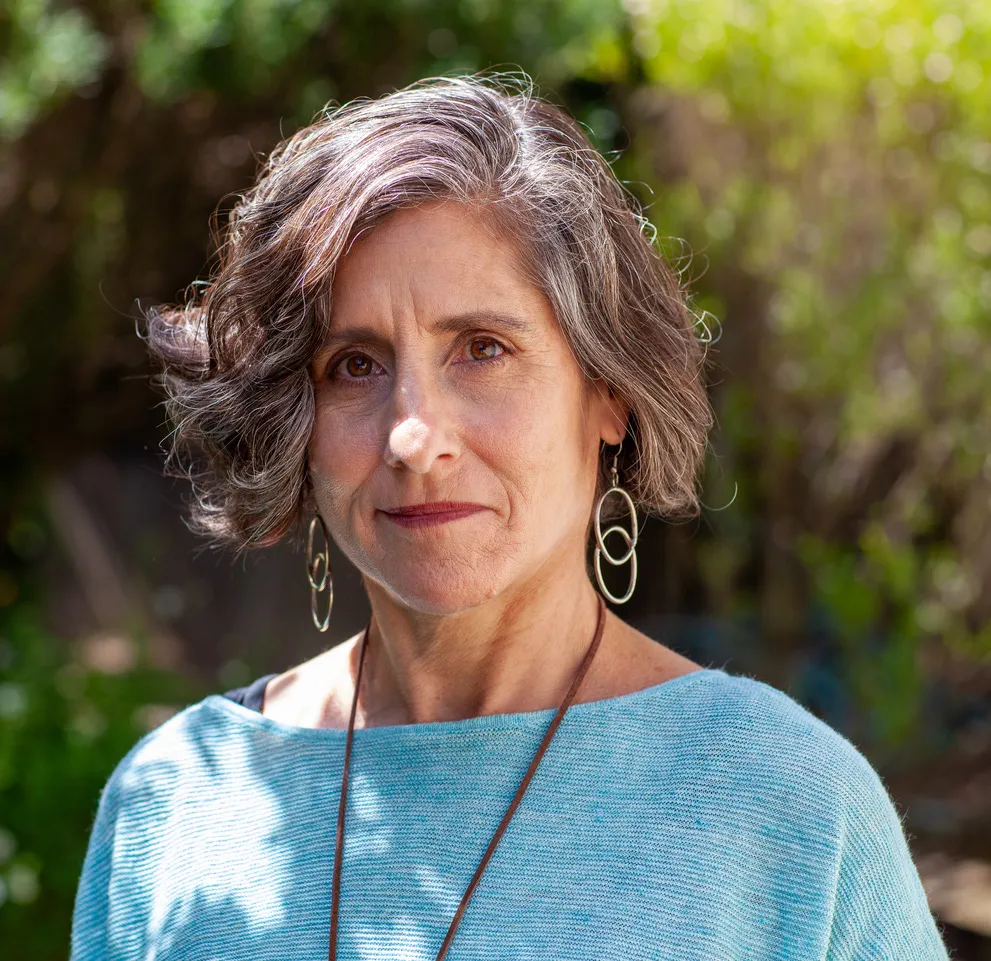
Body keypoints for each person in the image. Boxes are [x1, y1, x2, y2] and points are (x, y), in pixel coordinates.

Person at [69, 72, 949, 960]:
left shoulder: (791, 807)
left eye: (482, 349)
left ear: (608, 394)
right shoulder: (174, 799)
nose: (414, 437)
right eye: (354, 365)